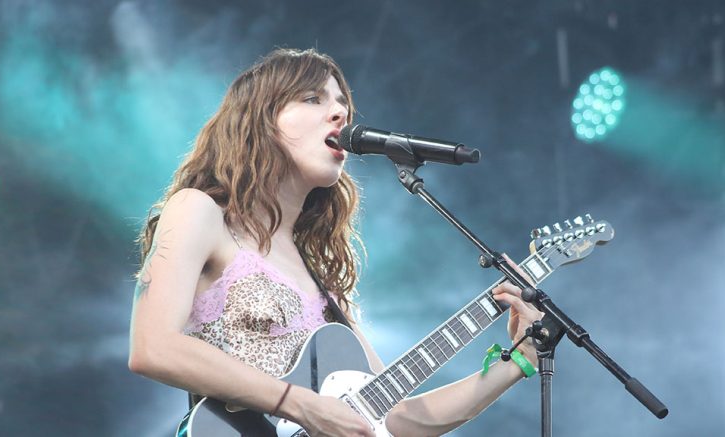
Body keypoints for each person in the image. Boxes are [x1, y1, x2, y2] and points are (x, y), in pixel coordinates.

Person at [128, 48, 543, 437]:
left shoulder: (321, 281)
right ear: (260, 119)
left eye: (342, 102)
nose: (340, 112)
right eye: (312, 98)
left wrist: (518, 362)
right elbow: (152, 346)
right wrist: (299, 404)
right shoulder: (199, 212)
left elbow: (398, 418)